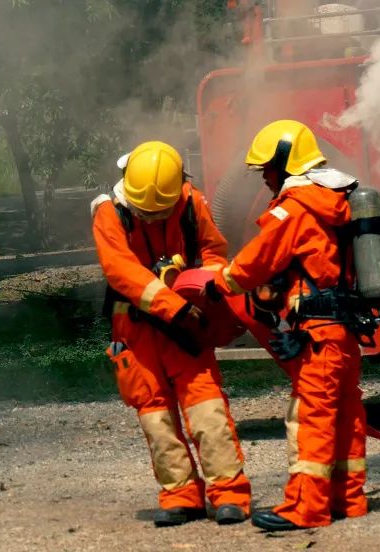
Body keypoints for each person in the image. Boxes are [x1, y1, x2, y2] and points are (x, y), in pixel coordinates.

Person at [206, 120, 367, 531]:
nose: (264, 176)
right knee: (346, 412)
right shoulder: (338, 199)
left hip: (316, 332)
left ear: (284, 162)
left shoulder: (294, 209)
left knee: (312, 416)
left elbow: (254, 264)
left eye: (267, 169)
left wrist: (218, 280)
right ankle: (349, 499)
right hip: (344, 331)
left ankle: (307, 508)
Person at [90, 140, 252, 527]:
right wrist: (172, 305)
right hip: (138, 328)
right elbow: (122, 273)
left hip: (187, 322)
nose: (151, 218)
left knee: (207, 409)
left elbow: (215, 251)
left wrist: (204, 287)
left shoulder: (191, 205)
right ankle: (180, 494)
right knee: (155, 415)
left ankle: (229, 495)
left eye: (159, 211)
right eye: (145, 212)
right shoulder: (109, 214)